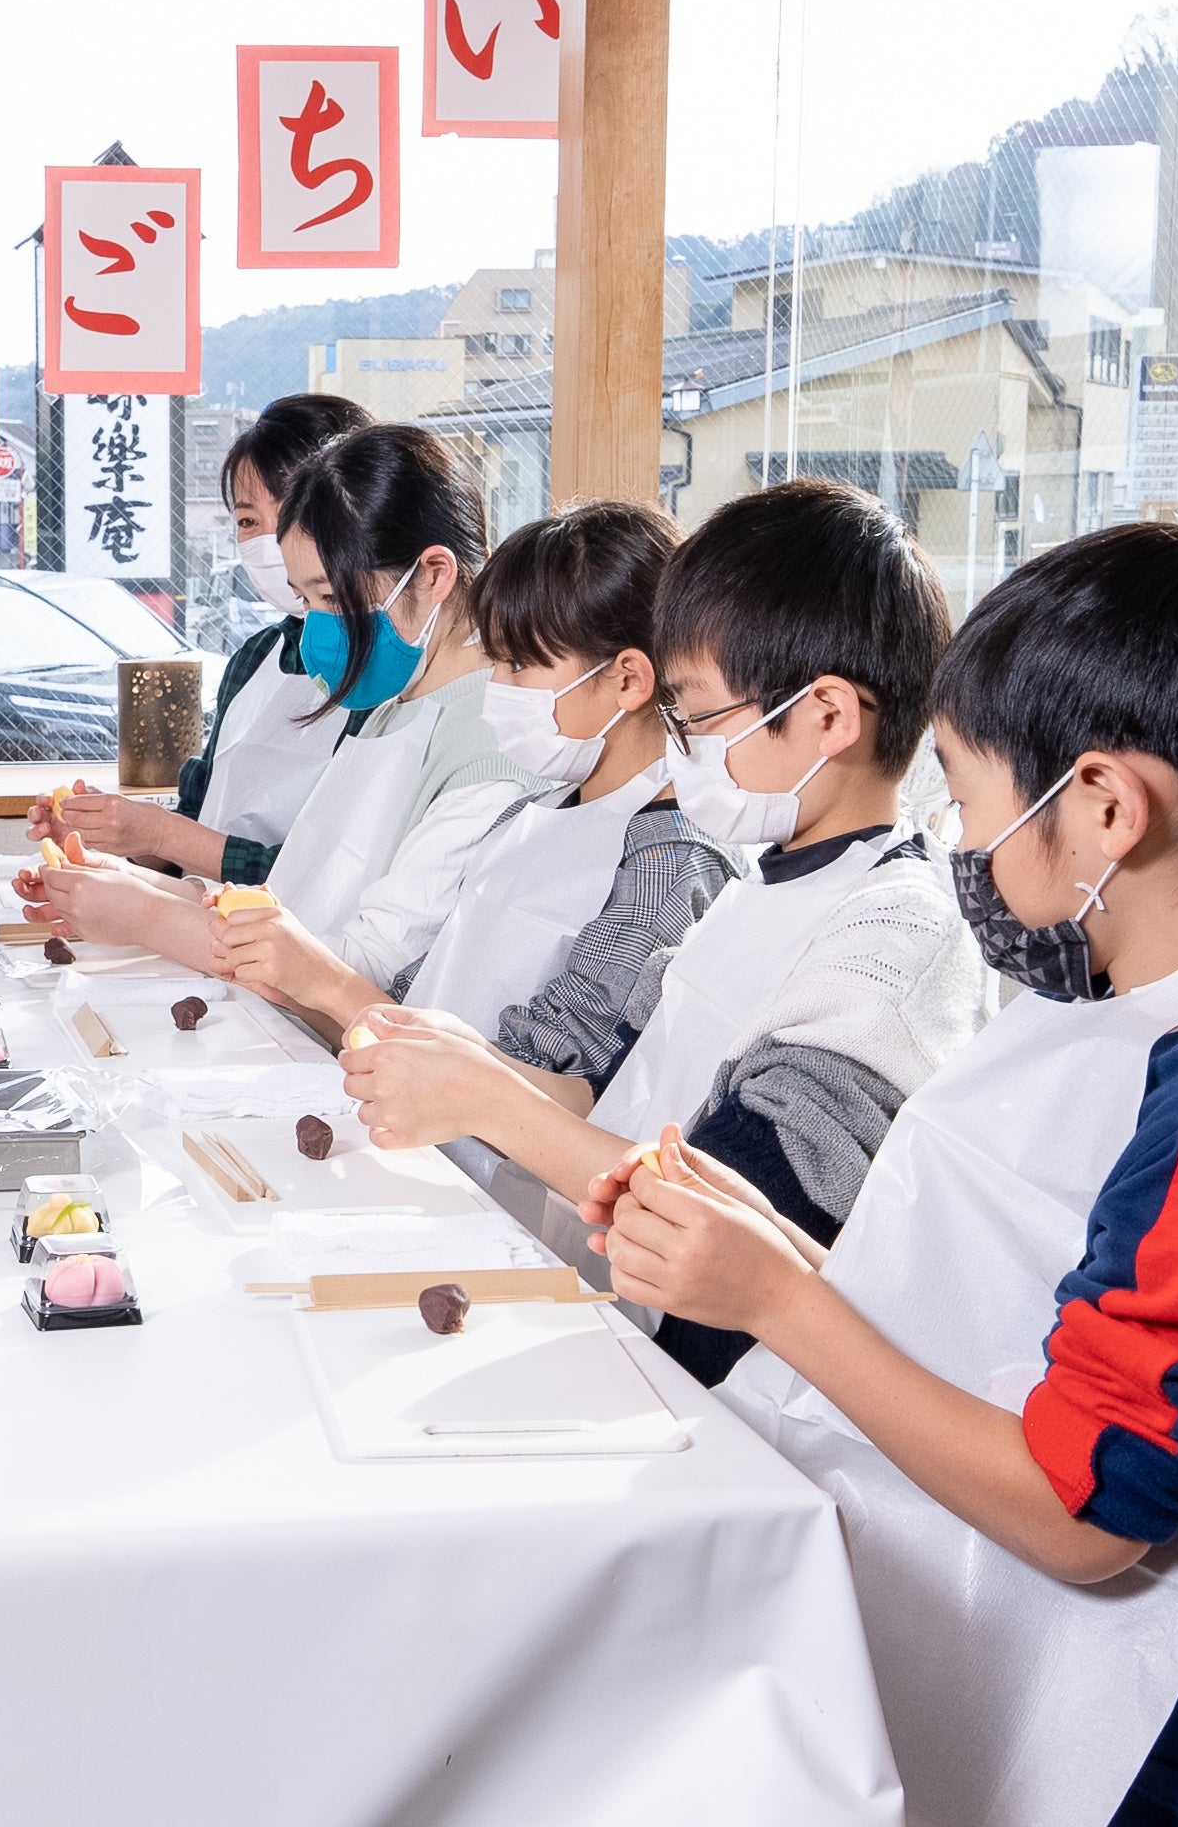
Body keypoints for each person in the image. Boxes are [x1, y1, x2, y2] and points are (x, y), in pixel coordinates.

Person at [590, 525, 1178, 1827]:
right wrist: (766, 1248)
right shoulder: (1102, 1016)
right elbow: (996, 1316)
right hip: (1019, 1692)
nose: (959, 844)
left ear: (1101, 808)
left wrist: (781, 1303)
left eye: (971, 801)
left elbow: (1084, 1516)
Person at [340, 480, 984, 1379]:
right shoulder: (764, 876)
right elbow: (609, 1085)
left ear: (829, 715)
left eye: (697, 713)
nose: (677, 742)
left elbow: (725, 1233)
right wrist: (461, 1060)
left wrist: (487, 1099)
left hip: (713, 1388)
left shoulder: (892, 939)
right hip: (609, 1311)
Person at [216, 502, 735, 1084]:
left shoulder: (667, 863)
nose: (496, 688)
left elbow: (562, 1075)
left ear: (628, 679)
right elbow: (422, 989)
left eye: (517, 664)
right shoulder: (531, 815)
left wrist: (329, 984)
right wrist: (296, 980)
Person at [25, 425, 538, 985]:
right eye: (305, 599)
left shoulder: (494, 743)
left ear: (434, 573)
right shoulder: (400, 699)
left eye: (331, 597)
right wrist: (120, 882)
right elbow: (294, 899)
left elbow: (362, 969)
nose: (316, 626)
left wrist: (147, 915)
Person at [25, 393, 372, 881]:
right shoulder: (257, 657)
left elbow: (324, 877)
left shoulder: (388, 670)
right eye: (250, 521)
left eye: (293, 511)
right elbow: (197, 819)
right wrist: (112, 836)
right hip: (203, 924)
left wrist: (161, 835)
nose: (274, 543)